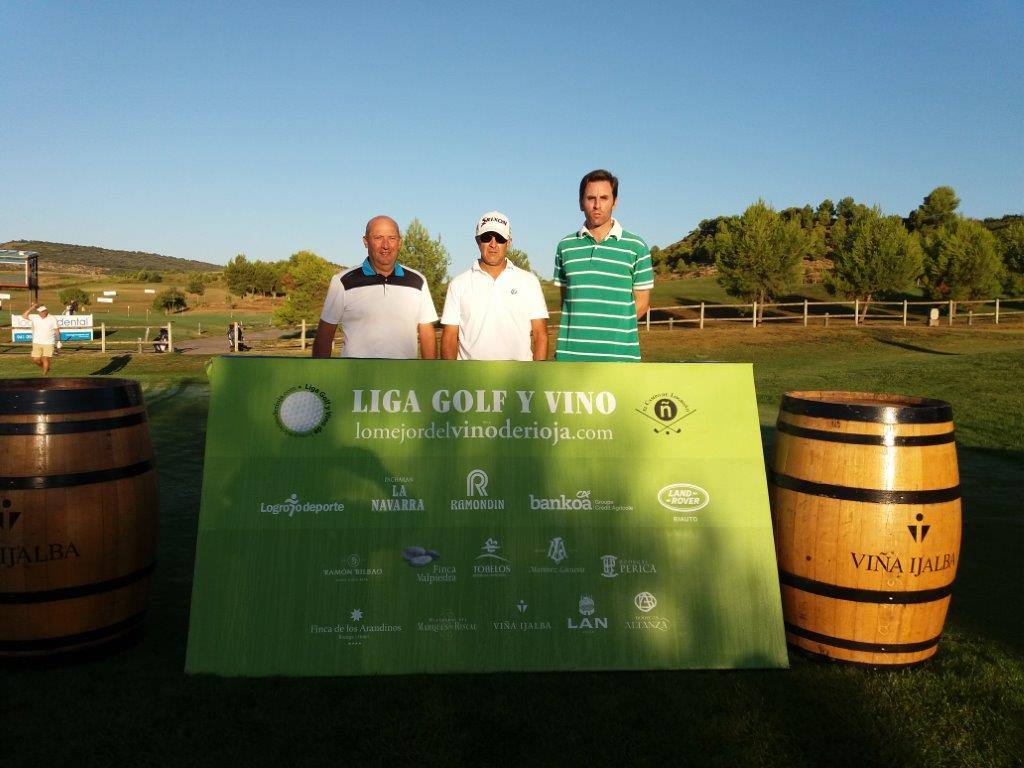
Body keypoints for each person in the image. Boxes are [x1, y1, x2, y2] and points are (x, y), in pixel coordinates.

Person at [552, 169, 654, 361]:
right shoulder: (565, 247)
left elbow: (642, 303)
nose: (597, 205)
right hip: (572, 358)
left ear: (615, 202)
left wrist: (611, 335)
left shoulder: (636, 247)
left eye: (604, 198)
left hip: (621, 358)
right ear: (581, 203)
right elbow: (568, 301)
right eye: (590, 198)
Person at [312, 215, 438, 359]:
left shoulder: (418, 281)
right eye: (378, 238)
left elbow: (427, 333)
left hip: (405, 378)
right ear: (366, 242)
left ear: (400, 242)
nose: (386, 245)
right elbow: (325, 335)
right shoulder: (342, 281)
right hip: (357, 378)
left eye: (392, 238)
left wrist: (430, 375)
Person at [440, 211, 548, 361]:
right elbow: (450, 336)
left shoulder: (529, 281)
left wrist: (536, 377)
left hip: (518, 379)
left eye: (500, 238)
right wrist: (450, 378)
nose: (493, 244)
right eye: (486, 237)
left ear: (508, 242)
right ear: (477, 240)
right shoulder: (458, 284)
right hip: (470, 379)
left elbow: (540, 335)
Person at [21, 303, 60, 374]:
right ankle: (45, 367)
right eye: (39, 312)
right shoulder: (34, 317)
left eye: (42, 312)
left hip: (49, 343)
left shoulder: (52, 318)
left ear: (46, 311)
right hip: (36, 342)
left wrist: (59, 341)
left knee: (45, 358)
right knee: (36, 359)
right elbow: (24, 316)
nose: (41, 313)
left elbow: (56, 330)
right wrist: (32, 307)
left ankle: (44, 375)